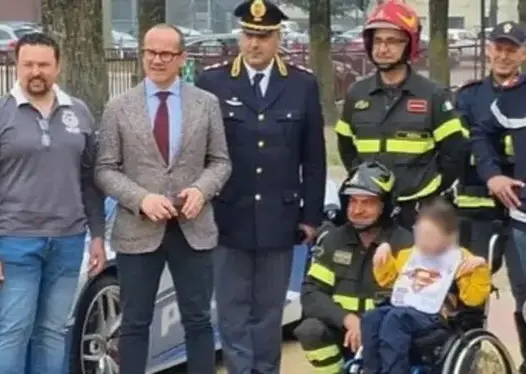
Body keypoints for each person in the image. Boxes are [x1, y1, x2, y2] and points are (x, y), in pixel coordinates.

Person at [194, 0, 326, 372]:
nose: (255, 44)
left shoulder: (301, 85)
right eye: (249, 35)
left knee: (269, 314)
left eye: (264, 36)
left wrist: (310, 216)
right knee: (233, 314)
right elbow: (200, 154)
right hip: (227, 218)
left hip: (279, 218)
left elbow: (313, 159)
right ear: (240, 35)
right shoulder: (212, 82)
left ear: (278, 37)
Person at [0, 33, 106, 374]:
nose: (35, 72)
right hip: (15, 242)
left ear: (58, 65)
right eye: (28, 64)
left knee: (53, 333)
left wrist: (97, 234)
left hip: (69, 242)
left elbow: (90, 180)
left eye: (43, 64)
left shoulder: (79, 112)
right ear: (17, 65)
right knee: (14, 332)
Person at [94, 24, 231, 374]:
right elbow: (105, 170)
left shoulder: (206, 104)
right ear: (142, 54)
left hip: (193, 228)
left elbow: (221, 162)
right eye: (151, 52)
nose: (157, 60)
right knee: (135, 323)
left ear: (181, 58)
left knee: (198, 321)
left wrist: (202, 189)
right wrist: (141, 199)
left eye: (166, 54)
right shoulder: (118, 108)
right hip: (138, 229)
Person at [334, 0, 466, 230]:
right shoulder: (357, 93)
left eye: (393, 41)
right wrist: (364, 181)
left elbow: (454, 151)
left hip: (417, 212)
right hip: (371, 210)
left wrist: (430, 190)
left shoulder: (433, 95)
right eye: (378, 40)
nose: (383, 48)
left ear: (410, 45)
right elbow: (346, 145)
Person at [453, 21, 526, 370]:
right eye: (498, 47)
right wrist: (494, 173)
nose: (503, 55)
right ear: (487, 50)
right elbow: (464, 147)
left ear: (523, 54)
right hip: (479, 208)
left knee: (523, 292)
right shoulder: (468, 96)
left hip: (519, 210)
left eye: (511, 49)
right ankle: (469, 359)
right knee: (471, 286)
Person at [295, 161, 413, 373]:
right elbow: (312, 294)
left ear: (385, 206)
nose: (357, 210)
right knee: (310, 330)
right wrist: (347, 320)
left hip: (387, 334)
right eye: (353, 202)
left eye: (367, 203)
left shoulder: (406, 245)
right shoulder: (332, 241)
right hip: (345, 331)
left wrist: (370, 327)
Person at [361, 197, 491, 374]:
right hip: (404, 307)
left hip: (437, 316)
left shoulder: (460, 258)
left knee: (396, 319)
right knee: (372, 317)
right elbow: (388, 280)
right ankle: (371, 370)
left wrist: (479, 268)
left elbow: (474, 298)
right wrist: (382, 258)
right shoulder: (410, 255)